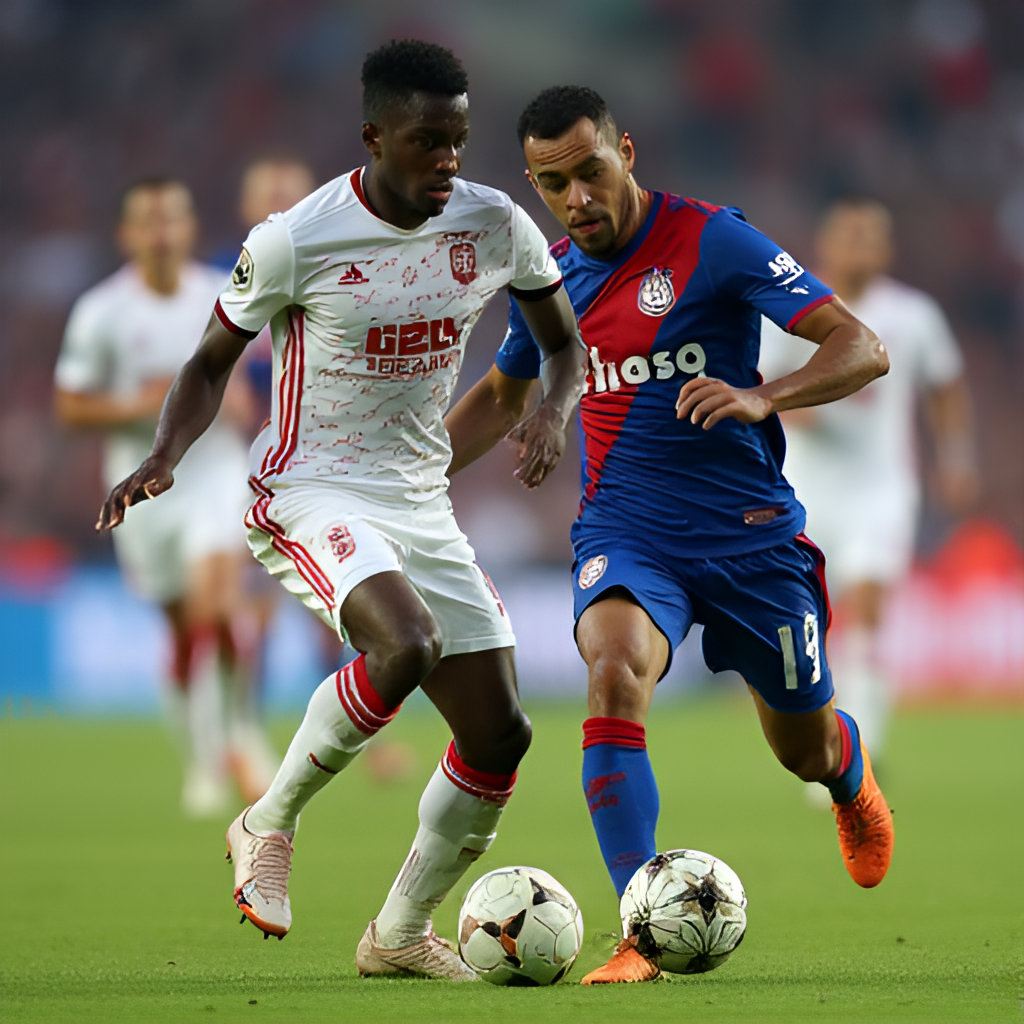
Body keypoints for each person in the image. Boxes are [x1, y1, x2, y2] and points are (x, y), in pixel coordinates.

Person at [97, 41, 585, 980]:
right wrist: (162, 457)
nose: (449, 160)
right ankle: (265, 821)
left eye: (460, 141)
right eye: (427, 141)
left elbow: (558, 345)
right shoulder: (296, 237)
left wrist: (553, 412)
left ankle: (399, 934)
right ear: (373, 136)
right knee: (406, 645)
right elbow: (207, 365)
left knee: (502, 734)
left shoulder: (495, 224)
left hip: (417, 498)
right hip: (307, 486)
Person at [445, 86, 892, 984]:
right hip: (628, 531)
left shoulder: (714, 239)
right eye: (552, 183)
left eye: (590, 171)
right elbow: (501, 396)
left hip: (752, 539)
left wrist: (766, 396)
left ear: (627, 153)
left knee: (800, 747)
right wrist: (404, 479)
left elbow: (861, 345)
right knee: (611, 673)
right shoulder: (555, 277)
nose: (576, 198)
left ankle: (848, 776)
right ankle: (641, 929)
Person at [55, 178, 263, 817]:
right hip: (140, 491)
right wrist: (144, 405)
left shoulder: (222, 294)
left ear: (190, 227)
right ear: (128, 235)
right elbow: (70, 405)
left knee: (219, 607)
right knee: (186, 630)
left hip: (215, 476)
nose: (162, 232)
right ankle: (202, 756)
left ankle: (237, 741)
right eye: (148, 220)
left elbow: (247, 393)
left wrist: (229, 403)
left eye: (172, 218)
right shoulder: (102, 312)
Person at [759, 196, 976, 770]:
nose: (859, 247)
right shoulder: (791, 308)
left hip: (882, 489)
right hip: (803, 488)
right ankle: (819, 742)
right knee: (805, 618)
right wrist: (792, 405)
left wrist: (956, 456)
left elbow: (946, 385)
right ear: (825, 245)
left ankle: (864, 743)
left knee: (871, 603)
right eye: (848, 236)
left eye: (870, 236)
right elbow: (756, 379)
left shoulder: (913, 315)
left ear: (887, 248)